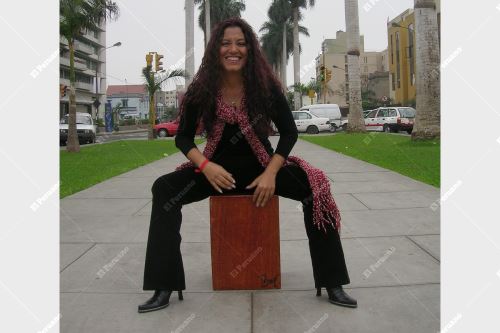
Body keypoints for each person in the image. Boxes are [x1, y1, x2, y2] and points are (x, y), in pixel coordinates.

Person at [138, 17, 357, 313]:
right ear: (216, 50)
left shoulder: (265, 87)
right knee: (164, 189)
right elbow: (184, 138)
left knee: (316, 189)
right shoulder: (200, 90)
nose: (233, 49)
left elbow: (290, 132)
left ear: (250, 50)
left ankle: (332, 281)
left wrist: (271, 173)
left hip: (262, 172)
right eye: (226, 43)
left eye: (240, 43)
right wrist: (205, 166)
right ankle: (164, 285)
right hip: (216, 174)